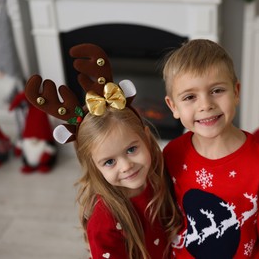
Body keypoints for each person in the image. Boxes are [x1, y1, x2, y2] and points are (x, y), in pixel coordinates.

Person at [24, 43, 182, 259]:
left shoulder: (158, 176)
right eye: (109, 162)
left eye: (132, 149)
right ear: (93, 165)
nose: (126, 166)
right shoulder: (105, 218)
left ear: (146, 137)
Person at [162, 39, 259, 258]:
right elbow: (161, 216)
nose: (205, 105)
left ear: (236, 92)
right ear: (173, 106)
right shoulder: (172, 154)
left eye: (217, 90)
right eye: (190, 97)